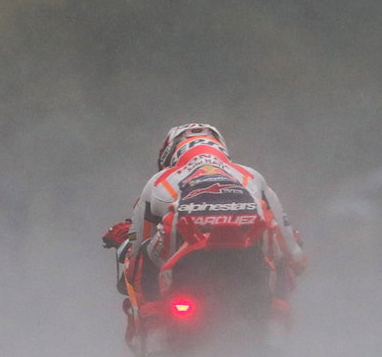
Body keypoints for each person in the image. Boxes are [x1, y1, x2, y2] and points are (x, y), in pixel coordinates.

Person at [103, 123, 305, 340]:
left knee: (142, 255)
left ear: (170, 154)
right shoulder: (251, 175)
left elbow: (134, 256)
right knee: (282, 250)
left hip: (187, 270)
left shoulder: (159, 181)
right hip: (248, 264)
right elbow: (294, 255)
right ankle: (275, 321)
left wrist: (124, 241)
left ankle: (154, 331)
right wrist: (292, 255)